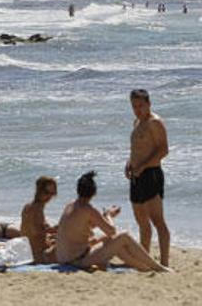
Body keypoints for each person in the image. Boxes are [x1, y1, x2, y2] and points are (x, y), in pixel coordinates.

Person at [56, 171, 169, 272]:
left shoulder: (70, 205)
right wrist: (109, 216)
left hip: (66, 259)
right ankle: (157, 267)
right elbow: (112, 231)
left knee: (110, 241)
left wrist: (105, 216)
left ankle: (143, 267)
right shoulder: (88, 209)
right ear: (94, 193)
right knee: (124, 236)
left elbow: (84, 226)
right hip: (78, 260)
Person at [126, 89, 170, 267]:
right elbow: (137, 148)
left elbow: (163, 150)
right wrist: (129, 163)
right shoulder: (137, 122)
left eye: (141, 106)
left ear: (149, 104)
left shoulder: (155, 122)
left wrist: (143, 166)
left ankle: (164, 262)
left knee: (157, 221)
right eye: (134, 106)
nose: (137, 110)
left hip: (151, 174)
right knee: (142, 222)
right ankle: (145, 260)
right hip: (136, 176)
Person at [21, 176, 59, 263]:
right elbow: (35, 232)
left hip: (31, 250)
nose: (49, 196)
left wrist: (50, 232)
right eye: (46, 192)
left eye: (53, 193)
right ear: (39, 191)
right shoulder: (35, 209)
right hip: (38, 254)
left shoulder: (30, 206)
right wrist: (53, 230)